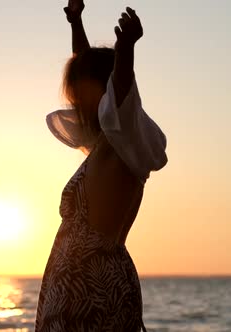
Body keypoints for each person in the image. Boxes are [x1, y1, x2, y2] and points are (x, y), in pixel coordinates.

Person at [35, 1, 168, 331]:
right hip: (77, 282)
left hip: (93, 285)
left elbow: (119, 90)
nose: (76, 99)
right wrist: (76, 22)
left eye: (82, 91)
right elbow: (87, 68)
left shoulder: (121, 135)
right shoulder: (104, 143)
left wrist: (125, 51)